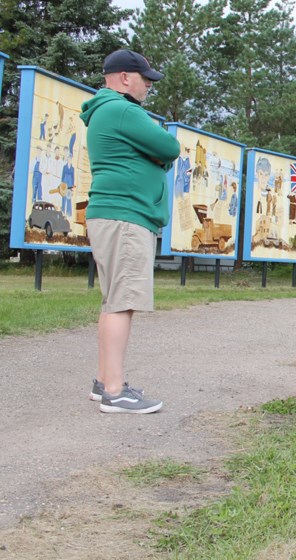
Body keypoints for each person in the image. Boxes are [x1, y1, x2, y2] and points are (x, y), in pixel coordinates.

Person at [79, 49, 180, 414]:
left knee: (113, 301)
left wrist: (156, 156)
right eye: (146, 79)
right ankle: (116, 391)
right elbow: (170, 147)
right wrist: (157, 156)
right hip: (125, 218)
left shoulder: (104, 111)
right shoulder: (123, 110)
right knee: (123, 302)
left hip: (115, 215)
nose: (149, 85)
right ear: (125, 77)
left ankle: (104, 381)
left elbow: (161, 154)